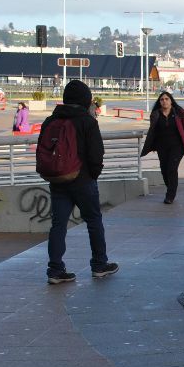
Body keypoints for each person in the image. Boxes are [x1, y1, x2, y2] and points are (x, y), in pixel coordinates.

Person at [39, 80, 118, 284]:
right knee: (93, 221)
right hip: (83, 180)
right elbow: (96, 154)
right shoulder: (87, 121)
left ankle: (55, 270)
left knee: (58, 224)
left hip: (58, 179)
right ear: (85, 99)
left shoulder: (50, 120)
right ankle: (99, 265)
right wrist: (92, 175)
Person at [140, 91, 184, 204]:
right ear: (159, 102)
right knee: (164, 170)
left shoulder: (179, 112)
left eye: (166, 99)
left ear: (171, 101)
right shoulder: (155, 114)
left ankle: (170, 195)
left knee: (172, 168)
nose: (164, 101)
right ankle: (171, 187)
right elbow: (153, 131)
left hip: (177, 146)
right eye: (162, 99)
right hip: (162, 147)